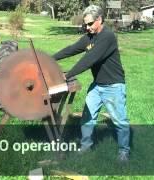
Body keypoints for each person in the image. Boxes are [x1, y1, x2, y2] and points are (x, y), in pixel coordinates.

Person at [52, 5, 130, 161]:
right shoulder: (90, 36)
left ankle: (124, 151)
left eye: (90, 24)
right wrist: (50, 58)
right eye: (85, 24)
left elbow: (89, 59)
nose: (87, 27)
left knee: (120, 121)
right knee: (87, 116)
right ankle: (86, 147)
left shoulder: (108, 37)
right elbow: (72, 49)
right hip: (98, 85)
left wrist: (68, 75)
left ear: (99, 20)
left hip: (113, 86)